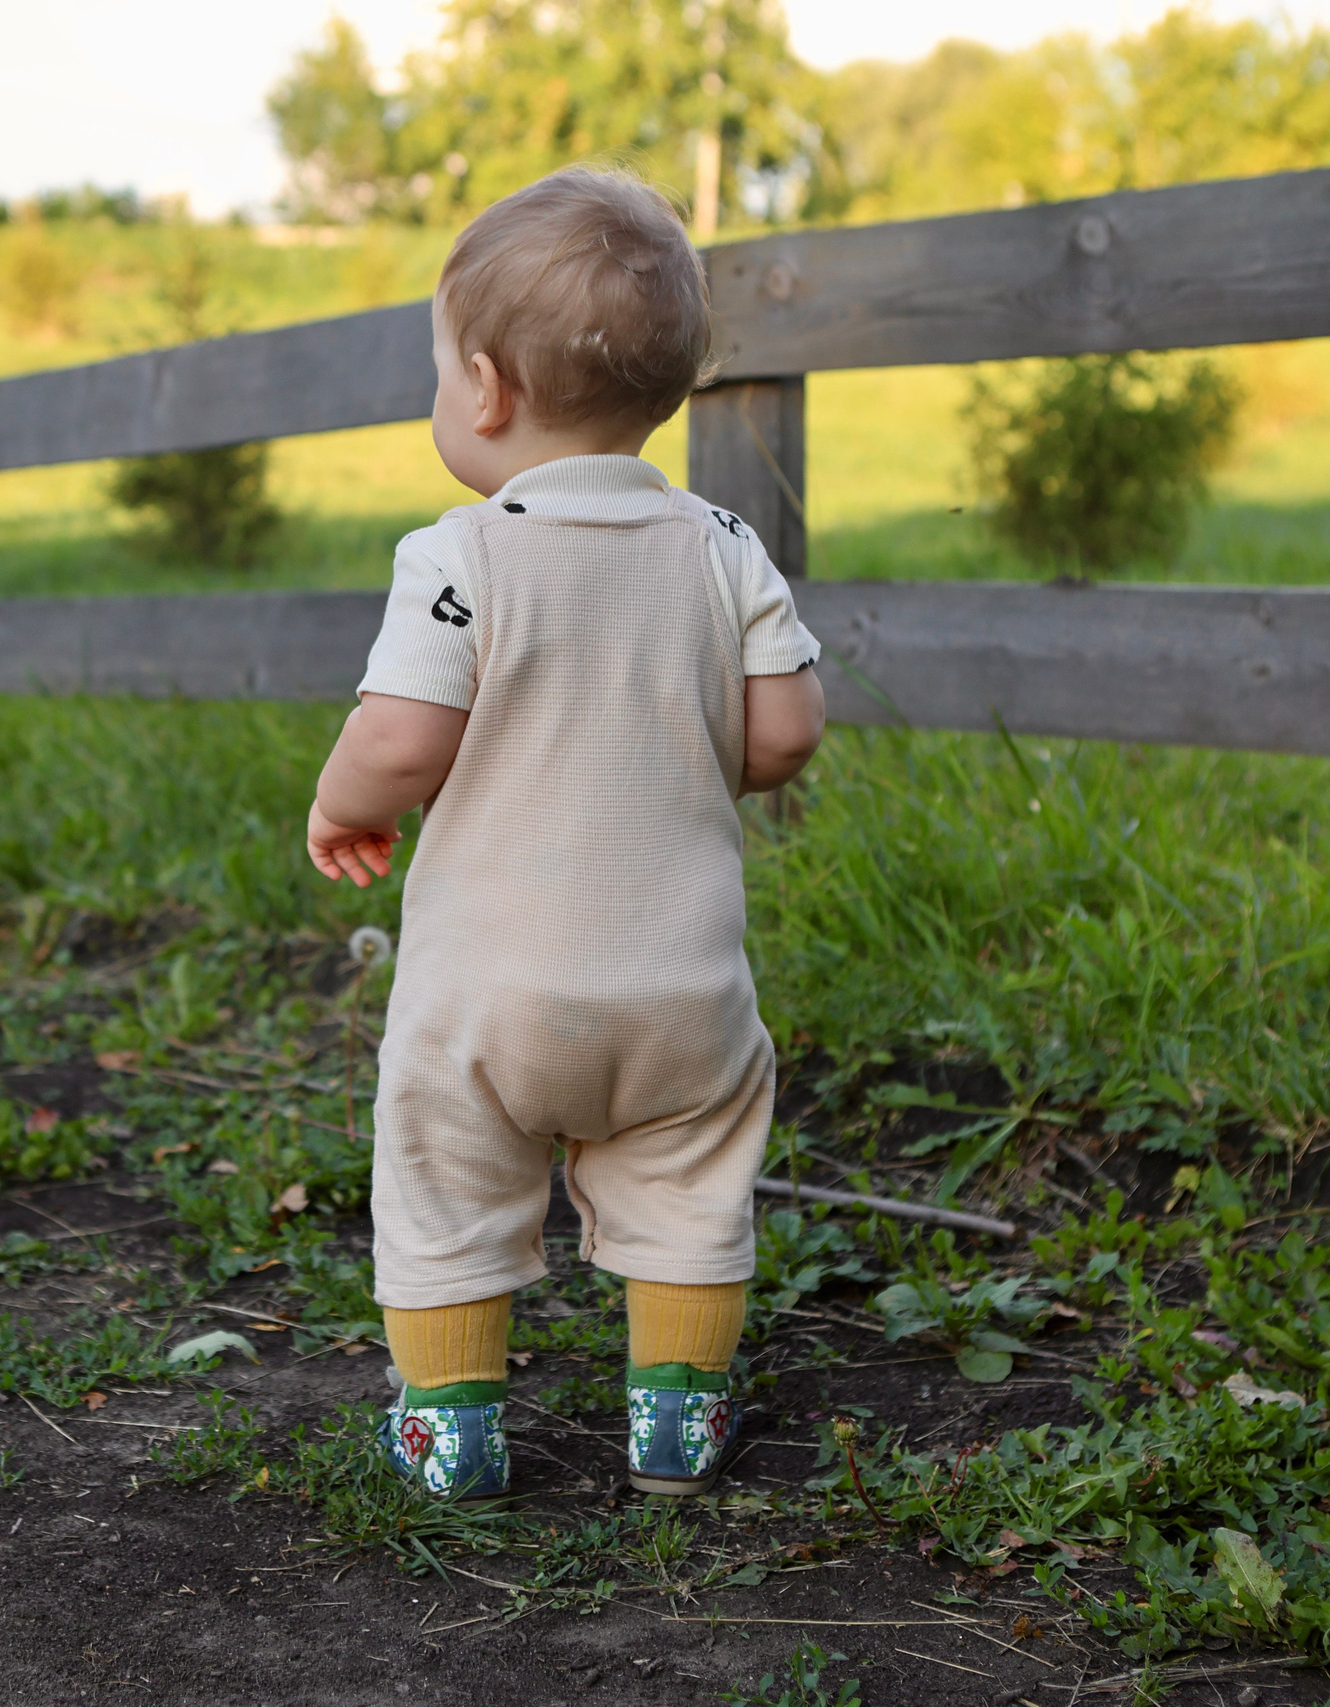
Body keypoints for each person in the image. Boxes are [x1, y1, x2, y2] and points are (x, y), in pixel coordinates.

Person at [304, 167, 826, 1499]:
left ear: (484, 390)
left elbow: (404, 738)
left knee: (445, 1175)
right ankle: (674, 1427)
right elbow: (784, 737)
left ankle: (454, 1435)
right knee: (694, 1181)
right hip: (684, 992)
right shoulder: (723, 543)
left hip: (491, 999)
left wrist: (344, 802)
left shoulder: (464, 553)